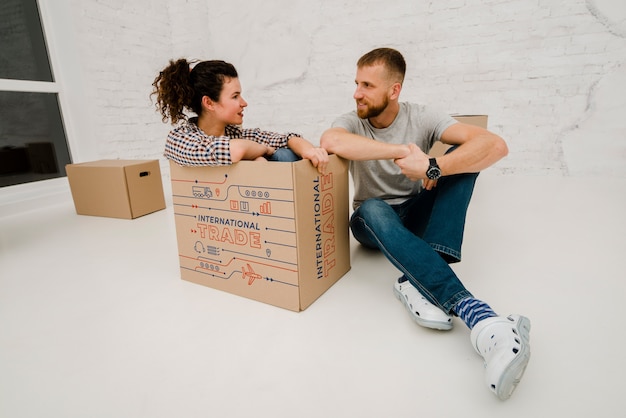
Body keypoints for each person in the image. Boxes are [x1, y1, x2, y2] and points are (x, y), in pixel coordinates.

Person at [320, 47, 531, 400]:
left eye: (367, 85)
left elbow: (494, 145)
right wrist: (404, 153)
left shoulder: (423, 116)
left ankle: (416, 282)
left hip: (415, 213)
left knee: (462, 161)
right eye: (356, 83)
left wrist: (434, 167)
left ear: (394, 90)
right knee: (372, 207)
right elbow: (331, 141)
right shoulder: (351, 121)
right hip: (372, 223)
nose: (357, 92)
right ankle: (481, 319)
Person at [151, 58, 328, 172]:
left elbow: (288, 138)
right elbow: (236, 150)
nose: (244, 103)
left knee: (286, 155)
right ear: (209, 103)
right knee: (268, 158)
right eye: (235, 96)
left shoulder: (238, 134)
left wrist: (311, 151)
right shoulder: (179, 138)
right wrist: (264, 151)